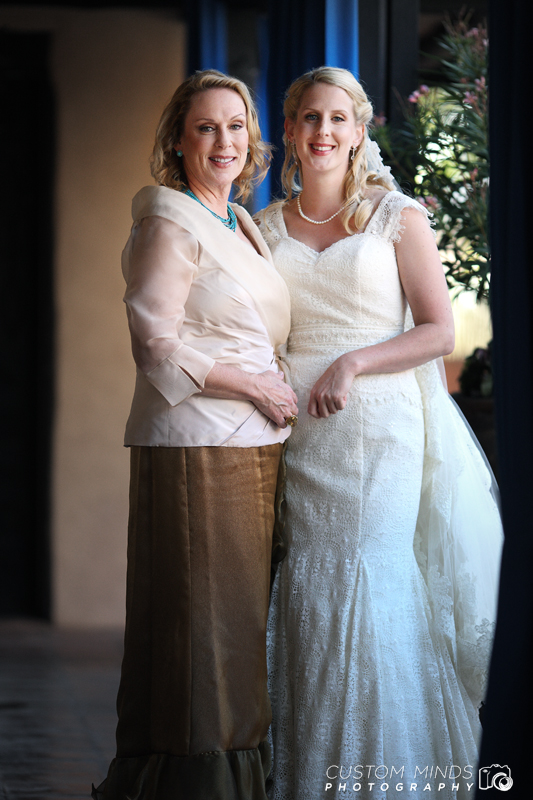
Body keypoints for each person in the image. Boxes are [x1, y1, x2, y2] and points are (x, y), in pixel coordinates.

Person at [255, 67, 503, 800]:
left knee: (374, 579)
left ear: (359, 130)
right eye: (308, 118)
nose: (323, 132)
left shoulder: (397, 217)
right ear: (291, 131)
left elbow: (438, 331)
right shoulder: (263, 228)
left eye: (338, 118)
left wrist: (354, 362)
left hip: (379, 431)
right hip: (301, 437)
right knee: (308, 585)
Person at [93, 70, 298, 800]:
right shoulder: (166, 220)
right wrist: (251, 386)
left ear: (252, 141)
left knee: (236, 623)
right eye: (206, 127)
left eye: (236, 126)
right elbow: (155, 342)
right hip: (195, 441)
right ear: (177, 141)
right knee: (200, 628)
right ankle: (195, 784)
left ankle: (232, 772)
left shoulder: (238, 221)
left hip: (252, 442)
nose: (223, 141)